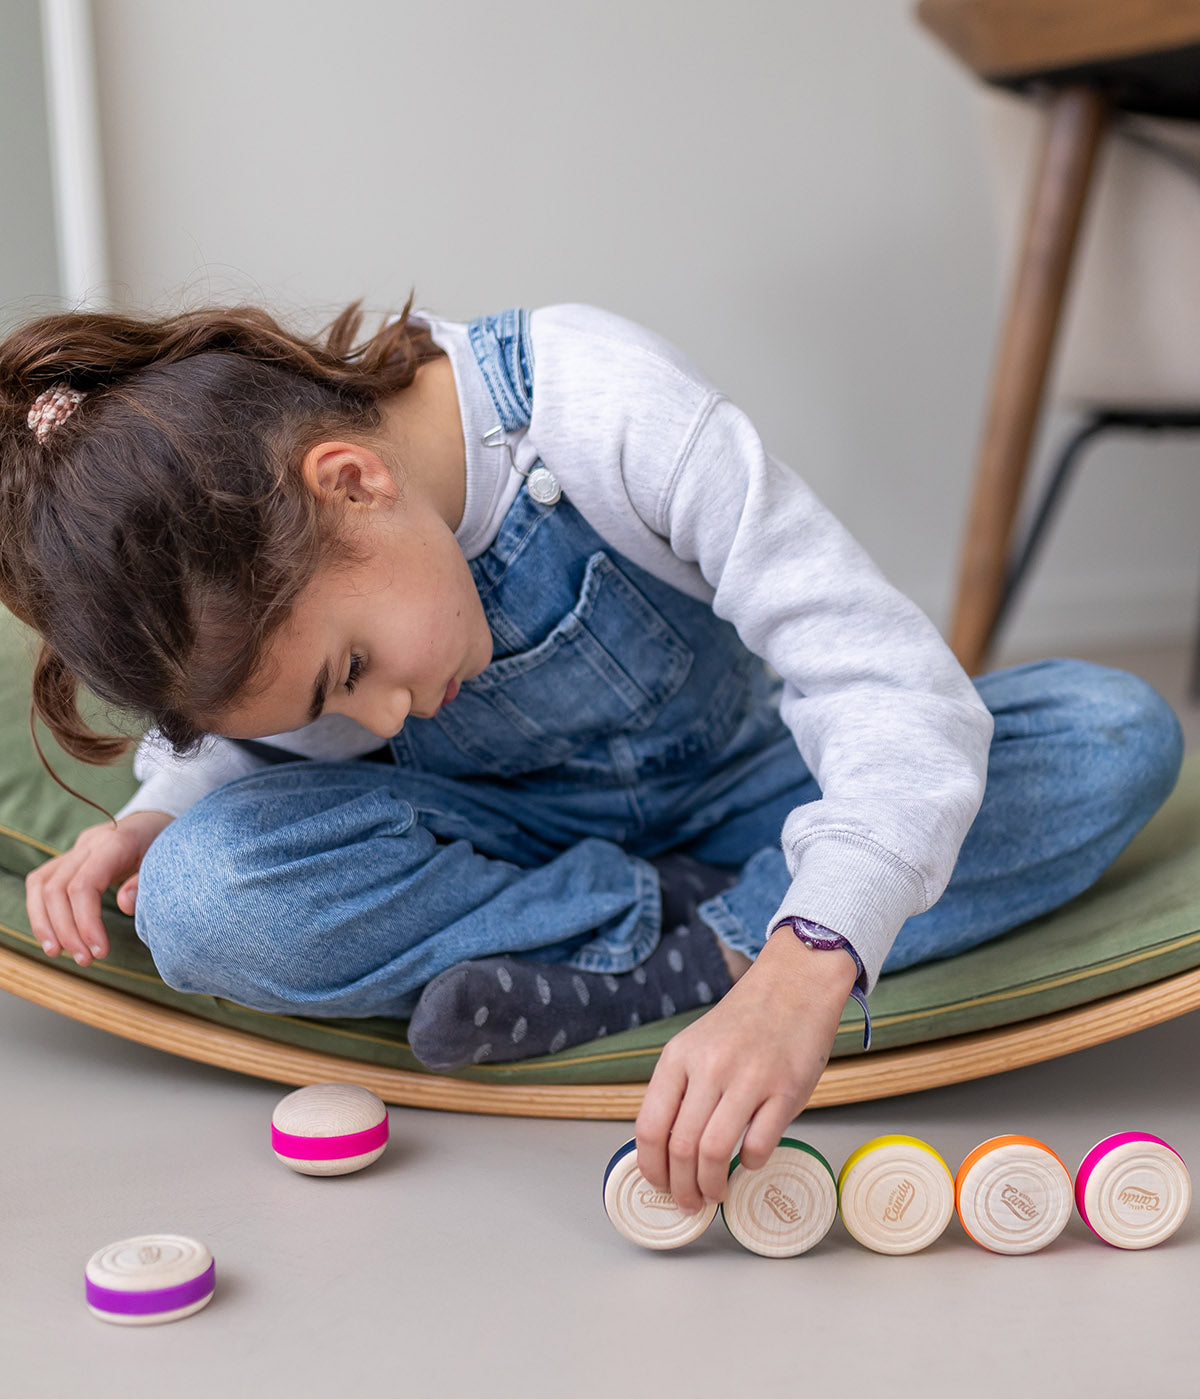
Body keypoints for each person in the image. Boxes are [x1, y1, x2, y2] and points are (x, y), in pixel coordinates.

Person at [0, 298, 1183, 1217]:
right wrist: (155, 820)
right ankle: (647, 928)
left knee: (1108, 735)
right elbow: (266, 747)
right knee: (204, 903)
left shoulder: (600, 402)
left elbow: (882, 683)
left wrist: (807, 961)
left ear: (351, 483)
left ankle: (728, 943)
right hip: (499, 848)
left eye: (353, 670)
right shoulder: (293, 612)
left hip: (750, 792)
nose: (377, 722)